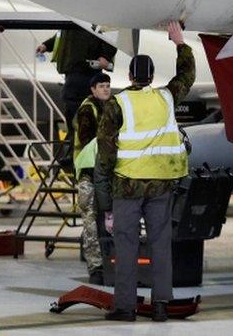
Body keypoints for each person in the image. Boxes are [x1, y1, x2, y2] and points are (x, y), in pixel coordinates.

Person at [95, 21, 195, 322]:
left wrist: (106, 201)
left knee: (125, 245)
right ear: (151, 77)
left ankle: (125, 308)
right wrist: (179, 42)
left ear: (129, 76)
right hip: (161, 186)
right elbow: (187, 76)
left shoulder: (117, 104)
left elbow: (106, 152)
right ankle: (162, 304)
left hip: (127, 186)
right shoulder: (166, 98)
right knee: (160, 243)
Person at [36, 28, 117, 147]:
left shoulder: (90, 15)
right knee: (76, 108)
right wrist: (47, 45)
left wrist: (106, 55)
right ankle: (77, 142)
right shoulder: (73, 19)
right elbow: (62, 34)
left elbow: (110, 32)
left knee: (77, 105)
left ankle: (79, 142)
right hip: (74, 70)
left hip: (85, 70)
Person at [73, 71, 112, 284]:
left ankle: (108, 261)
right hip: (88, 171)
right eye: (101, 85)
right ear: (93, 89)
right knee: (90, 218)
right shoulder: (88, 110)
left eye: (107, 85)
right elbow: (88, 140)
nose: (105, 88)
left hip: (105, 171)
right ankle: (95, 267)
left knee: (104, 218)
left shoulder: (110, 106)